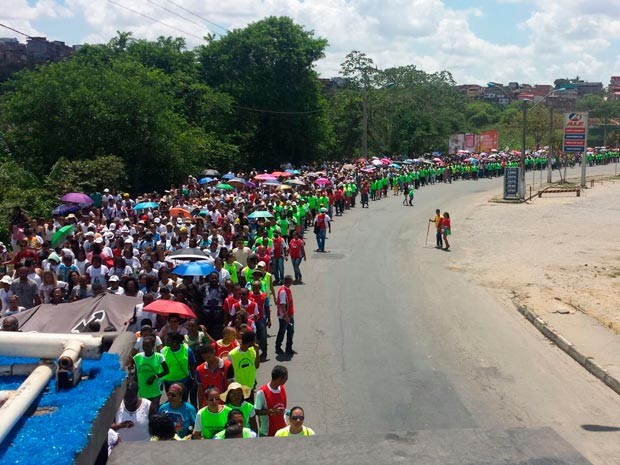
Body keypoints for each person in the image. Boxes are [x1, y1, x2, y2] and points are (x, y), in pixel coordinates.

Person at [132, 335, 168, 414]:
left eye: (147, 345)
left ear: (153, 346)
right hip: (142, 389)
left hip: (155, 389)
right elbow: (135, 373)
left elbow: (166, 371)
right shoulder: (137, 357)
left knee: (154, 411)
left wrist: (155, 376)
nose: (145, 347)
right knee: (143, 412)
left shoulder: (159, 357)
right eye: (144, 345)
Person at [161, 332, 196, 401]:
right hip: (168, 382)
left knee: (183, 401)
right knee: (172, 401)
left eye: (168, 340)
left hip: (184, 381)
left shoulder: (187, 349)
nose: (166, 341)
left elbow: (192, 364)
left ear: (175, 342)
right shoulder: (163, 351)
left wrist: (194, 379)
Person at [254, 365, 288, 437]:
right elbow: (256, 411)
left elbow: (283, 409)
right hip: (267, 432)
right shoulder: (262, 392)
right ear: (280, 378)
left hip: (282, 431)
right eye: (286, 378)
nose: (287, 380)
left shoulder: (282, 388)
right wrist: (272, 411)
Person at [275, 275, 295, 355]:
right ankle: (278, 347)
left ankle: (289, 348)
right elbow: (283, 305)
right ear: (289, 281)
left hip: (290, 315)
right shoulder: (283, 291)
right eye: (291, 281)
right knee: (282, 332)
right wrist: (286, 316)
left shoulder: (287, 289)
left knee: (291, 332)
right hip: (284, 317)